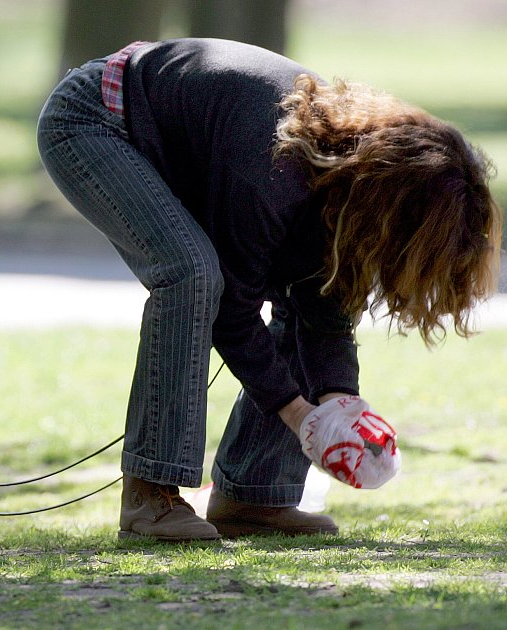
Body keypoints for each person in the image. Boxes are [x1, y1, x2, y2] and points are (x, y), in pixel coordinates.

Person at [37, 38, 501, 540]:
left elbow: (322, 304)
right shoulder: (274, 172)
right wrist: (300, 415)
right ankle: (149, 495)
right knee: (192, 274)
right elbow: (231, 312)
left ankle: (253, 497)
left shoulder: (340, 182)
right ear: (389, 207)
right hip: (97, 119)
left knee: (300, 292)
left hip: (175, 135)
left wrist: (340, 404)